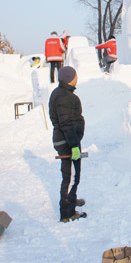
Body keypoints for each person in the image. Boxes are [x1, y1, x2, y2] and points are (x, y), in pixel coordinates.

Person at [48, 66, 87, 223]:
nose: (77, 77)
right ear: (69, 78)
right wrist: (74, 146)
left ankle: (71, 198)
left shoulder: (61, 93)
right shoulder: (65, 97)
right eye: (75, 75)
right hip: (67, 141)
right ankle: (67, 211)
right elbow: (67, 124)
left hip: (65, 139)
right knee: (71, 176)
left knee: (70, 174)